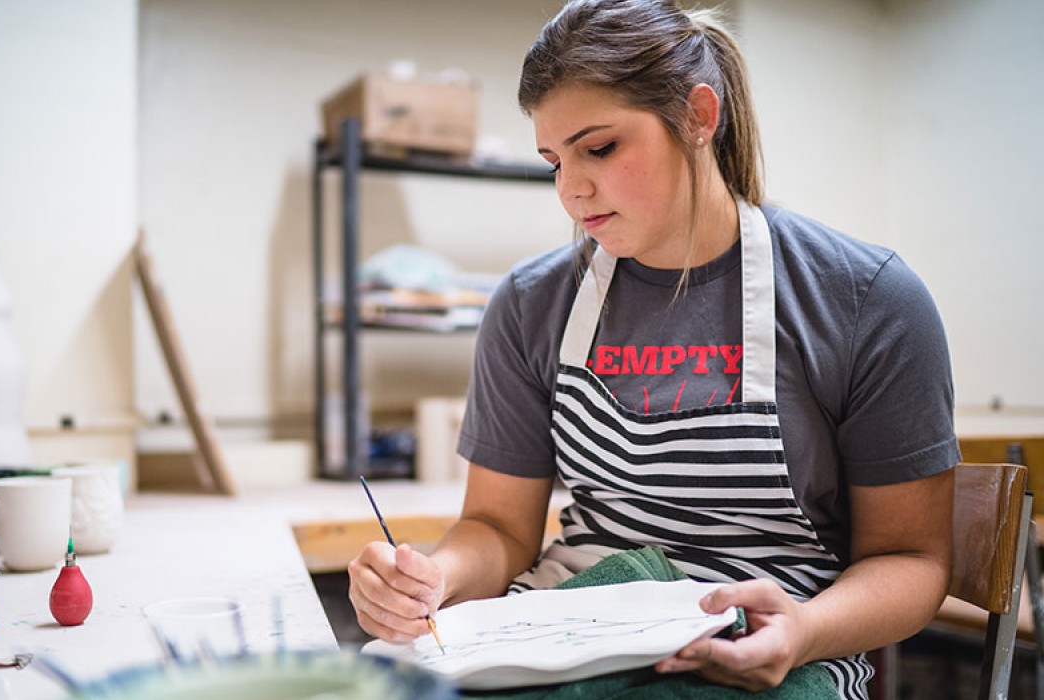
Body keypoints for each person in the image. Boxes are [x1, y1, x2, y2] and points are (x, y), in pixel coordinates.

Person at [347, 1, 958, 697]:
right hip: (563, 630)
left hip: (774, 649)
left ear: (700, 117)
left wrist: (805, 629)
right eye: (553, 161)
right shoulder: (530, 304)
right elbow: (496, 528)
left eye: (599, 148)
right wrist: (433, 579)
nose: (571, 191)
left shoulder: (865, 301)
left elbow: (911, 560)